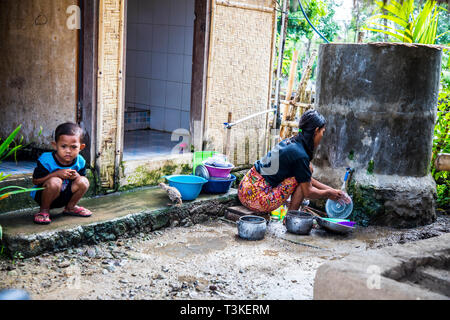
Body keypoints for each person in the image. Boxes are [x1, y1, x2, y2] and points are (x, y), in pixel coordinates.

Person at [238, 109, 350, 215]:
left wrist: (333, 190)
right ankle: (290, 218)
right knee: (301, 180)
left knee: (305, 173)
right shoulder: (300, 155)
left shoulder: (290, 142)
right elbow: (308, 191)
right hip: (255, 199)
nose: (322, 136)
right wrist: (329, 193)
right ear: (316, 131)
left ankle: (290, 216)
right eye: (322, 132)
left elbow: (306, 178)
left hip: (244, 189)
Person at [30, 122, 92, 224]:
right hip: (44, 195)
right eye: (63, 146)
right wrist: (56, 174)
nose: (68, 151)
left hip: (65, 195)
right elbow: (36, 181)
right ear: (55, 145)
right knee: (55, 181)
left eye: (73, 147)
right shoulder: (46, 160)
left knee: (84, 181)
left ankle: (70, 208)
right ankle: (44, 211)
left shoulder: (80, 161)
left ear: (81, 147)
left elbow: (81, 180)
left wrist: (76, 176)